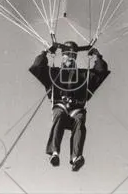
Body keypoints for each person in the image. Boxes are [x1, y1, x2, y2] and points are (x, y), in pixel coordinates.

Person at [29, 41, 109, 171]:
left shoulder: (83, 75)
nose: (70, 57)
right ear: (62, 56)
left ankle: (76, 157)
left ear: (75, 57)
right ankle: (54, 152)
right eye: (67, 54)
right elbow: (37, 67)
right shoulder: (54, 73)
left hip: (76, 110)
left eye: (73, 55)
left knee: (80, 119)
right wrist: (45, 53)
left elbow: (101, 72)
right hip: (61, 107)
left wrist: (97, 56)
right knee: (59, 114)